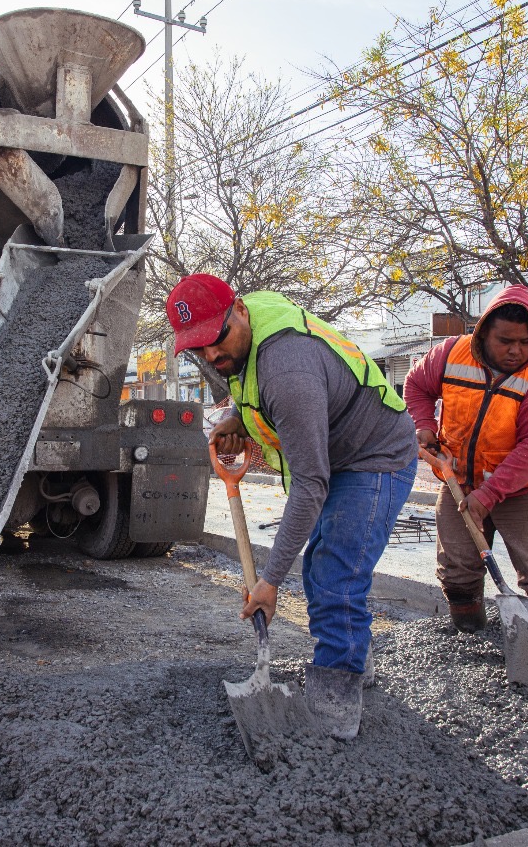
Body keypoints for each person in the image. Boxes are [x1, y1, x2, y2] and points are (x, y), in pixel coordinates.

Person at [168, 273, 417, 739]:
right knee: (323, 568)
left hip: (374, 454)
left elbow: (310, 482)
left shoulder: (287, 372)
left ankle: (334, 714)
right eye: (198, 347)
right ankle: (355, 663)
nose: (211, 355)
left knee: (336, 574)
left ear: (240, 309)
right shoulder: (249, 334)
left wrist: (269, 582)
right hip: (338, 453)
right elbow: (254, 388)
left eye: (217, 338)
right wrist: (236, 416)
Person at [402, 285, 528, 665]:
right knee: (456, 571)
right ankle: (471, 643)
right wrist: (423, 425)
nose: (516, 350)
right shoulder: (451, 353)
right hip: (459, 481)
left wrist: (488, 496)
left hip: (525, 488)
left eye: (524, 341)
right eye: (506, 341)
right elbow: (416, 385)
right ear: (484, 332)